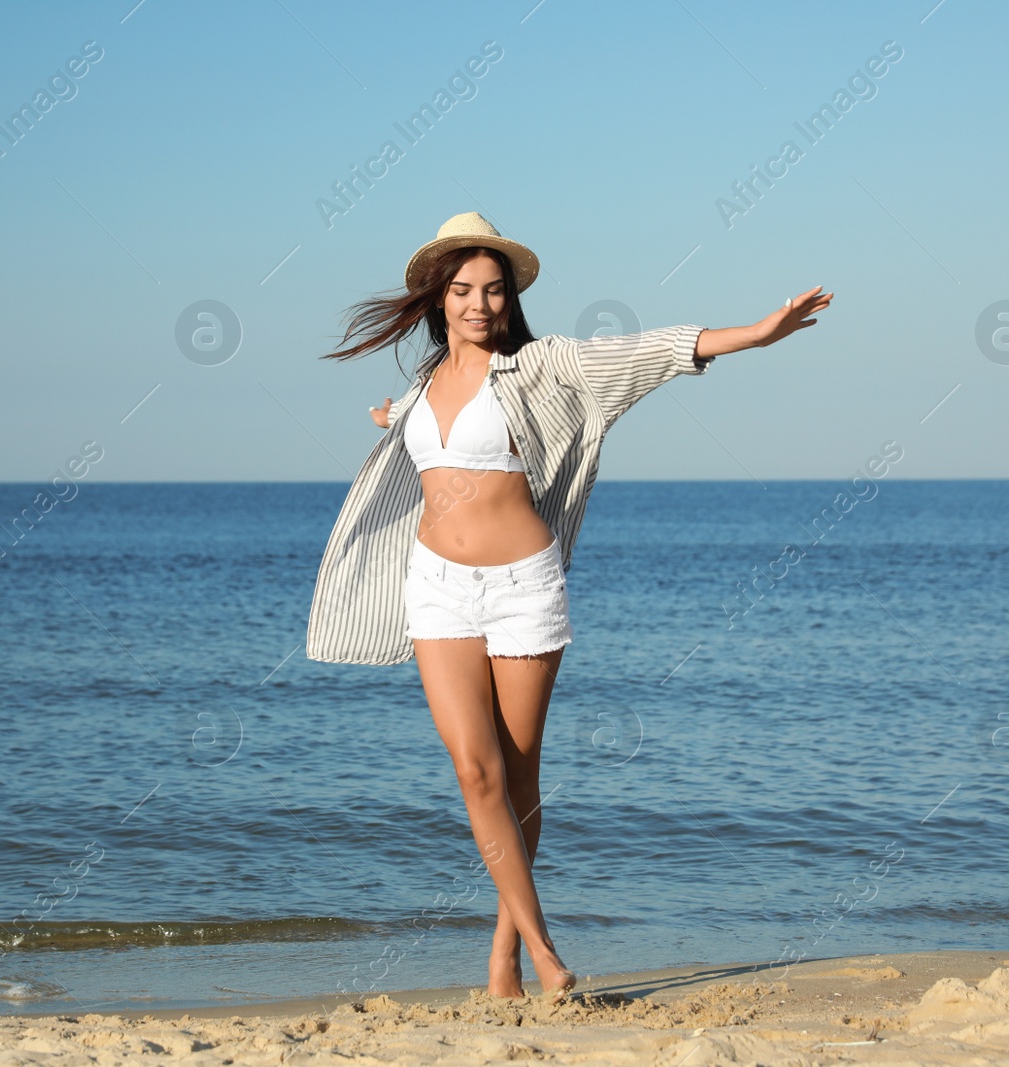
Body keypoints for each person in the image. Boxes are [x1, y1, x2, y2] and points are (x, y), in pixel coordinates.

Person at [306, 211, 831, 1001]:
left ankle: (503, 954)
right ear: (438, 298)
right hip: (436, 589)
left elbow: (644, 353)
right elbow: (417, 440)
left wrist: (755, 334)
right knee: (474, 773)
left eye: (493, 290)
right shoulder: (419, 388)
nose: (480, 303)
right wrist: (394, 419)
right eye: (463, 290)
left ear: (510, 299)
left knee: (519, 780)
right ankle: (548, 952)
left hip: (523, 586)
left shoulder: (546, 366)